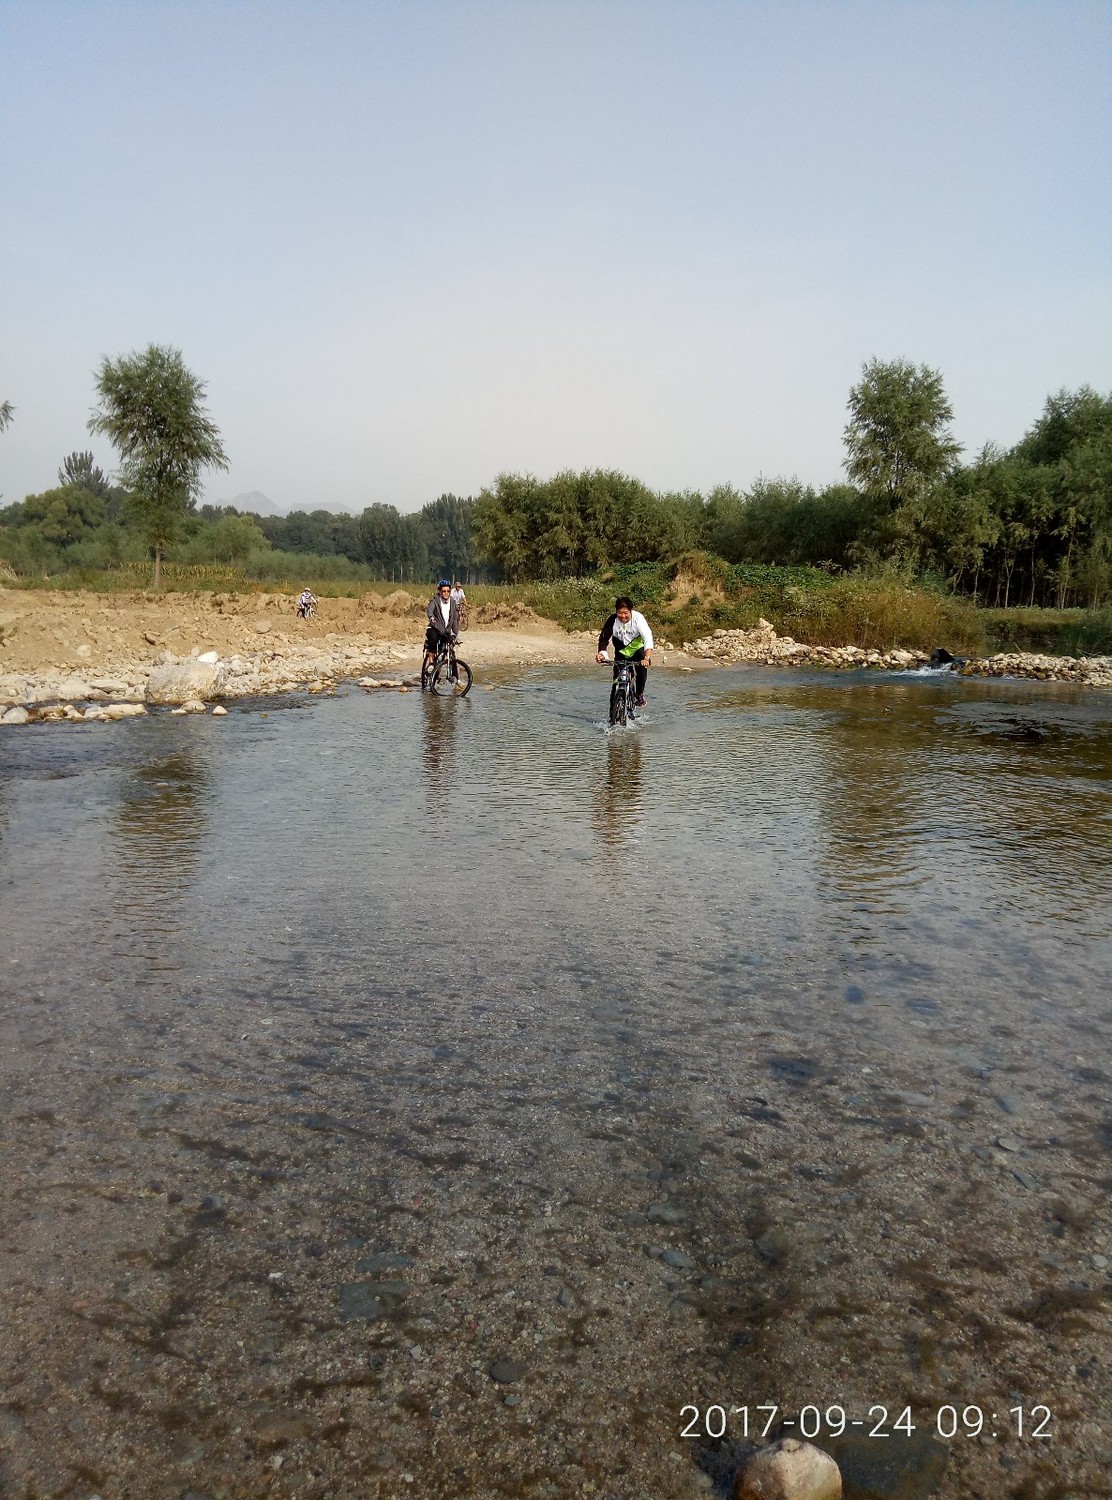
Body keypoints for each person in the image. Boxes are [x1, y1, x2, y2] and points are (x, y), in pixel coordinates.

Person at [597, 595, 654, 706]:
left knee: (642, 671)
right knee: (616, 683)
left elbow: (648, 637)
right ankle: (613, 713)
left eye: (625, 613)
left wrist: (647, 658)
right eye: (619, 613)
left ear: (630, 611)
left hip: (637, 651)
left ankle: (639, 694)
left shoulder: (638, 618)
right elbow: (604, 638)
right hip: (621, 652)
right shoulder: (612, 620)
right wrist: (602, 654)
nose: (623, 616)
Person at [423, 578, 461, 681]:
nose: (446, 593)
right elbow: (429, 612)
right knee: (433, 639)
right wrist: (432, 619)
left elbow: (454, 619)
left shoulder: (452, 603)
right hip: (434, 628)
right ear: (440, 591)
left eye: (448, 591)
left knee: (451, 652)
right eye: (444, 591)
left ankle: (455, 678)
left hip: (446, 631)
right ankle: (431, 663)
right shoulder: (435, 601)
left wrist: (456, 633)